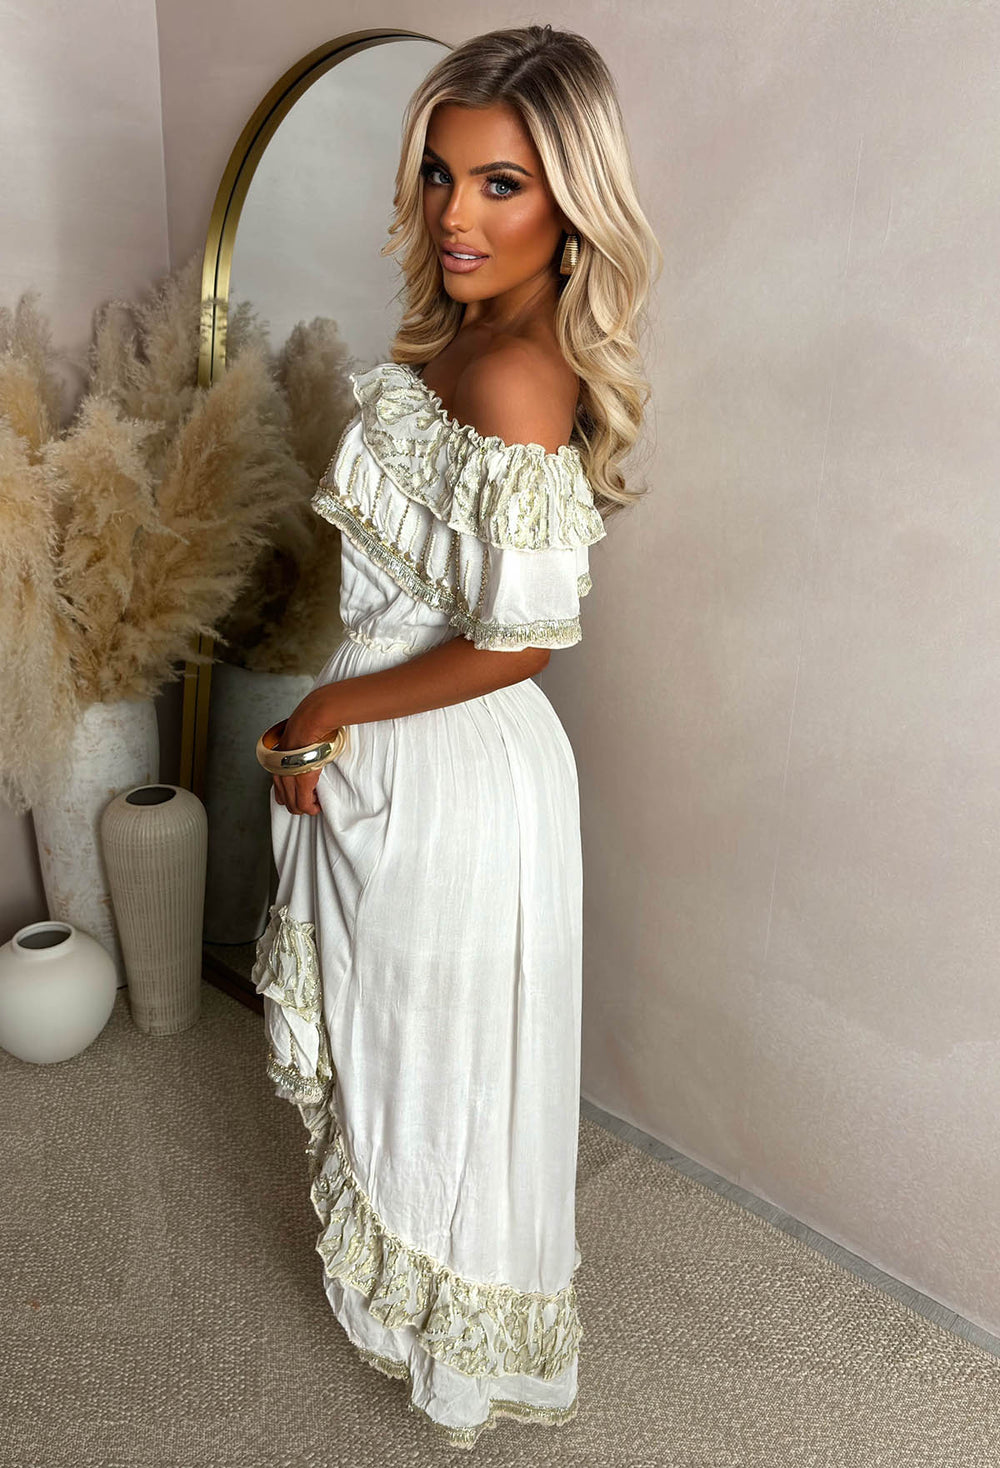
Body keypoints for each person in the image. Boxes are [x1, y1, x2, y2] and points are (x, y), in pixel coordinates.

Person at [251, 23, 661, 1451]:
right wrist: (334, 720)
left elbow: (523, 637)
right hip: (415, 752)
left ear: (571, 205)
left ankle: (461, 1344)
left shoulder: (515, 375)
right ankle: (427, 1319)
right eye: (441, 173)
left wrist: (324, 711)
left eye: (501, 184)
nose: (454, 213)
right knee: (416, 1057)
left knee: (442, 1067)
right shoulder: (466, 337)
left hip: (454, 767)